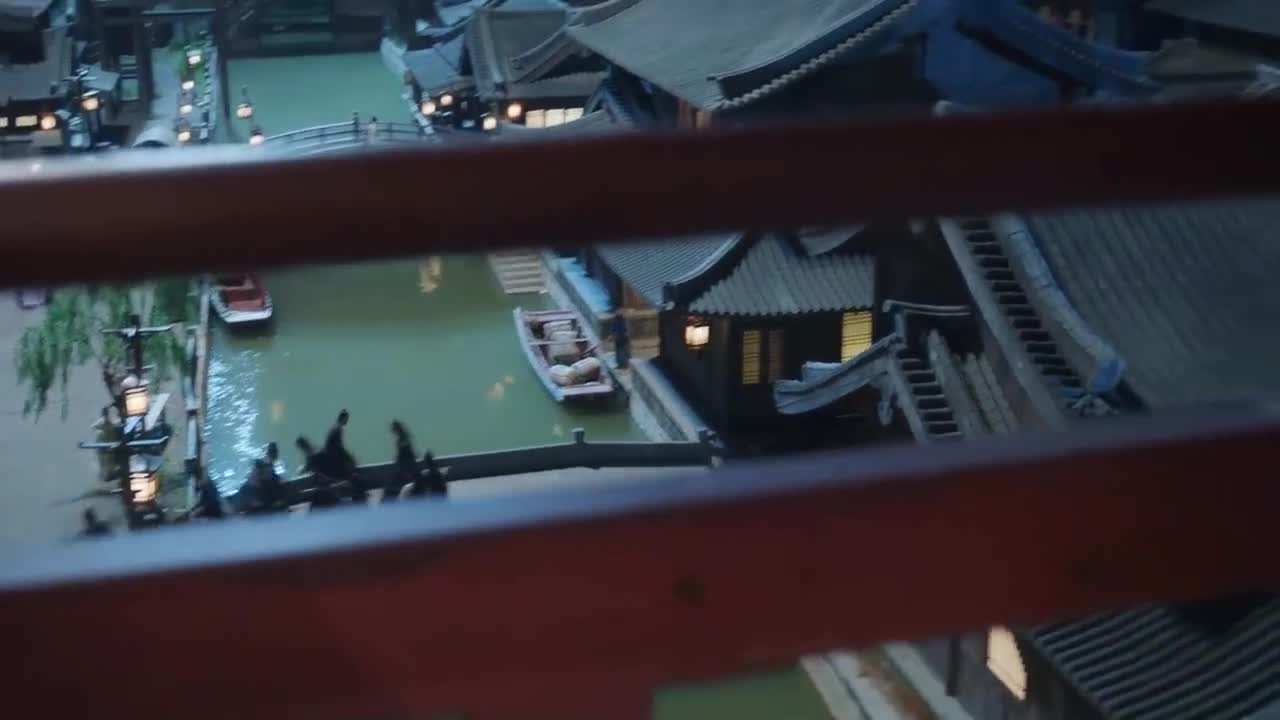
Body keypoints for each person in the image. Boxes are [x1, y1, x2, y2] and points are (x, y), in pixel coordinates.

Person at [385, 420, 416, 502]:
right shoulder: (403, 438)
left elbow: (405, 451)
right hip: (405, 465)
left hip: (406, 466)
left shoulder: (402, 439)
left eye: (393, 429)